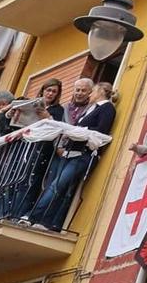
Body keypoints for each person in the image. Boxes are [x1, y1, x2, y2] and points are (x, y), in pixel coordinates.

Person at [27, 78, 113, 230]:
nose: (89, 94)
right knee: (56, 186)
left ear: (100, 92)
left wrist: (77, 131)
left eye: (92, 91)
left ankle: (36, 218)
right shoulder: (92, 108)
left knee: (58, 186)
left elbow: (101, 130)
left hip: (83, 154)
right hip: (71, 152)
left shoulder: (107, 108)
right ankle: (42, 220)